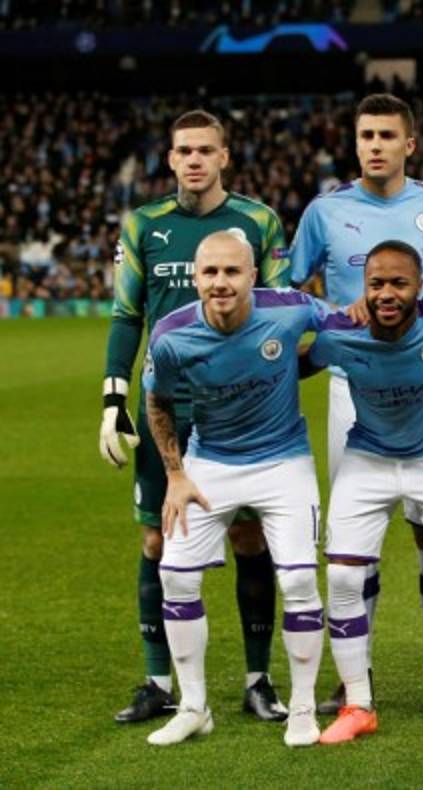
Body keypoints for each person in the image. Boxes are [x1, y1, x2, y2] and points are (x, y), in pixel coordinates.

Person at [100, 109, 290, 725]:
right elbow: (127, 316)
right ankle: (160, 682)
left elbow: (279, 307)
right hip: (165, 407)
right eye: (184, 150)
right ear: (171, 158)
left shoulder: (258, 221)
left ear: (224, 156)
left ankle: (258, 680)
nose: (194, 160)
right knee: (156, 539)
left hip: (239, 408)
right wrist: (112, 400)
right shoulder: (144, 224)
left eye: (206, 150)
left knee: (248, 537)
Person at [289, 93, 423, 714]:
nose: (375, 145)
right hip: (353, 385)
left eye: (386, 135)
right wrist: (333, 318)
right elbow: (289, 293)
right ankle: (355, 674)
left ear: (409, 144)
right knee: (354, 541)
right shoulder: (325, 211)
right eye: (366, 135)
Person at [303, 241, 423, 749]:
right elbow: (296, 363)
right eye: (376, 284)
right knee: (343, 574)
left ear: (421, 287)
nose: (386, 294)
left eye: (399, 283)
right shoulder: (340, 332)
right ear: (363, 288)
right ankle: (358, 705)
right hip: (368, 459)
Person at [142, 230, 332, 746]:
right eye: (210, 272)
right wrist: (176, 474)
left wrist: (305, 362)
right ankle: (194, 707)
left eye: (232, 271)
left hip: (284, 461)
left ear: (252, 276)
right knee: (175, 576)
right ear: (196, 278)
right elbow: (158, 401)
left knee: (299, 581)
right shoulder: (172, 334)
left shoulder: (290, 308)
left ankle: (302, 710)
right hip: (210, 461)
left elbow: (343, 326)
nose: (221, 283)